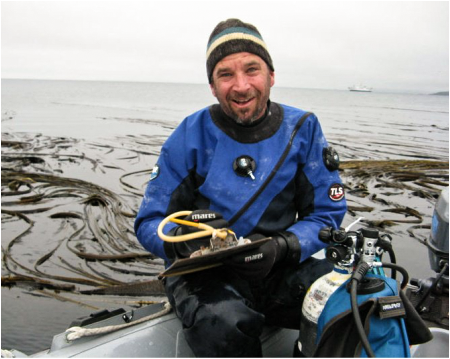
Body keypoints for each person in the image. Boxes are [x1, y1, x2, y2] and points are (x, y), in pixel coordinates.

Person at [135, 18, 347, 357]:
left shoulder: (302, 129)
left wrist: (283, 247)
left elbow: (326, 213)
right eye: (225, 74)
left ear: (271, 76)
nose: (241, 86)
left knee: (353, 298)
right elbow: (148, 222)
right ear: (212, 86)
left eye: (252, 70)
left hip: (280, 269)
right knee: (225, 321)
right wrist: (190, 241)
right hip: (205, 277)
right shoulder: (190, 135)